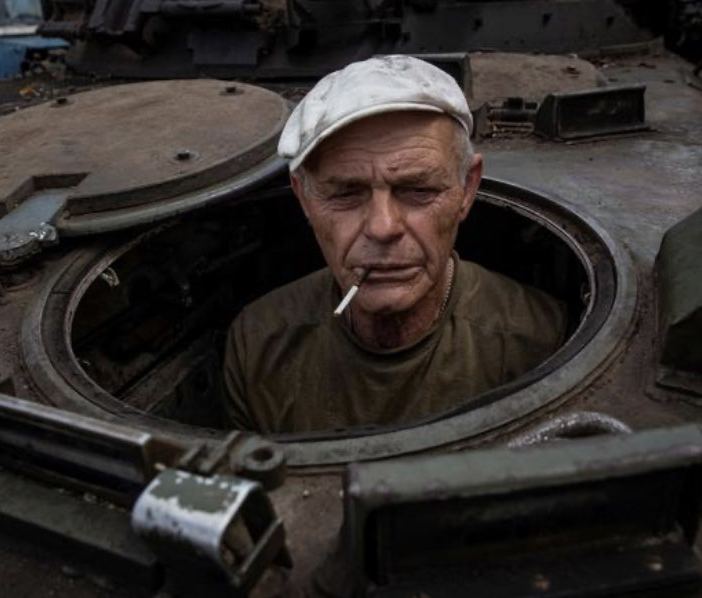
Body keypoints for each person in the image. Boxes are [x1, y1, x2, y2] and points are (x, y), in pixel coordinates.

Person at [224, 55, 566, 433]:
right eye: (346, 194)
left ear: (466, 189)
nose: (383, 228)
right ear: (304, 198)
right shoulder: (258, 345)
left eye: (418, 190)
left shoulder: (538, 340)